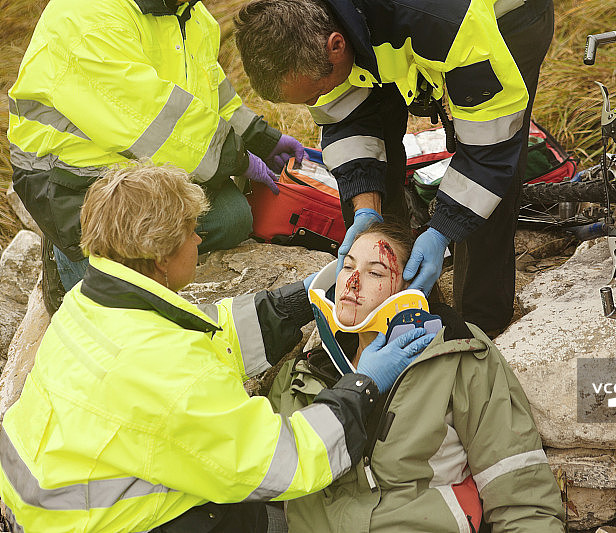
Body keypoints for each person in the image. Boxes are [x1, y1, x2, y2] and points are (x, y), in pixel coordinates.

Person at [0, 161, 435, 533]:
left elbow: (209, 333)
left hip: (43, 510)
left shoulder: (89, 301)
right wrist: (366, 383)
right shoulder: (177, 377)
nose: (199, 240)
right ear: (160, 260)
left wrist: (300, 298)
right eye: (191, 231)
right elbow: (287, 460)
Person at [234, 0, 555, 336]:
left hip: (497, 19)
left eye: (316, 93)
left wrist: (443, 230)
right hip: (388, 26)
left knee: (489, 177)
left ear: (337, 45)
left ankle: (479, 328)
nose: (318, 104)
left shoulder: (443, 21)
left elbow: (491, 148)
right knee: (370, 187)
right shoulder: (307, 28)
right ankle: (402, 311)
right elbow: (347, 116)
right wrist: (365, 208)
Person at [268, 221, 566, 532]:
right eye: (348, 266)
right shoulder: (301, 373)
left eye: (376, 272)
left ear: (410, 292)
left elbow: (520, 495)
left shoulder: (459, 356)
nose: (352, 283)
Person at [7, 0, 306, 299]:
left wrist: (257, 136)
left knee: (232, 217)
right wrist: (236, 158)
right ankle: (68, 261)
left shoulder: (190, 13)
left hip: (139, 161)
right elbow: (149, 119)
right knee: (110, 294)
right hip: (71, 177)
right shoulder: (87, 17)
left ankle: (144, 263)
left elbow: (209, 88)